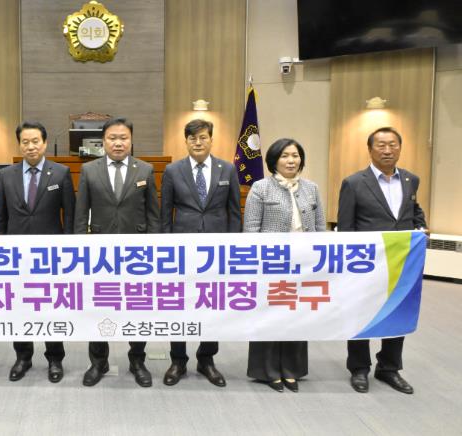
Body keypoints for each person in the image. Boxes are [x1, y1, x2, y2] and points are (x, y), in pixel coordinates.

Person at [338, 126, 425, 395]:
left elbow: (413, 211)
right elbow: (346, 227)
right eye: (381, 145)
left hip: (401, 263)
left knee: (398, 311)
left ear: (400, 148)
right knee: (361, 313)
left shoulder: (411, 180)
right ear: (370, 149)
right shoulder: (354, 183)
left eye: (393, 145)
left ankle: (389, 367)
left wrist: (421, 227)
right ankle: (359, 368)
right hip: (365, 264)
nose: (388, 150)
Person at [74, 117, 160, 388]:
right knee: (99, 306)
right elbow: (80, 214)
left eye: (124, 138)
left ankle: (137, 361)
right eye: (112, 138)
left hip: (138, 254)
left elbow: (153, 214)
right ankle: (98, 361)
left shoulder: (145, 170)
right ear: (104, 141)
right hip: (100, 254)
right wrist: (79, 250)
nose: (118, 143)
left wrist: (155, 249)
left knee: (138, 307)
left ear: (131, 140)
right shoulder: (89, 170)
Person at [160, 119, 240, 387]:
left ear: (211, 140)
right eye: (192, 138)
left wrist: (233, 247)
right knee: (179, 303)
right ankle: (178, 360)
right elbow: (165, 213)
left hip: (217, 250)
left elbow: (234, 212)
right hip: (182, 249)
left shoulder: (227, 169)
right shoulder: (173, 170)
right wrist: (166, 248)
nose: (198, 142)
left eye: (203, 137)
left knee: (212, 303)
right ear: (186, 141)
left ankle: (206, 359)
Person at [0, 121, 75, 383]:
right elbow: (0, 217)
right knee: (19, 307)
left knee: (52, 306)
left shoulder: (61, 173)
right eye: (25, 142)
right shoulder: (6, 175)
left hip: (51, 256)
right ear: (19, 145)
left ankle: (55, 358)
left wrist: (69, 251)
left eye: (35, 141)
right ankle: (23, 357)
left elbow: (70, 216)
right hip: (16, 255)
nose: (30, 146)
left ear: (45, 143)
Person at [243, 138, 326, 392]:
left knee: (297, 315)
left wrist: (317, 259)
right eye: (285, 156)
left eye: (295, 156)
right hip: (271, 263)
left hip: (303, 264)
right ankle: (268, 371)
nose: (291, 161)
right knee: (270, 316)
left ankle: (292, 369)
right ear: (274, 160)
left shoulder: (311, 188)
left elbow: (320, 227)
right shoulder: (261, 188)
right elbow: (251, 229)